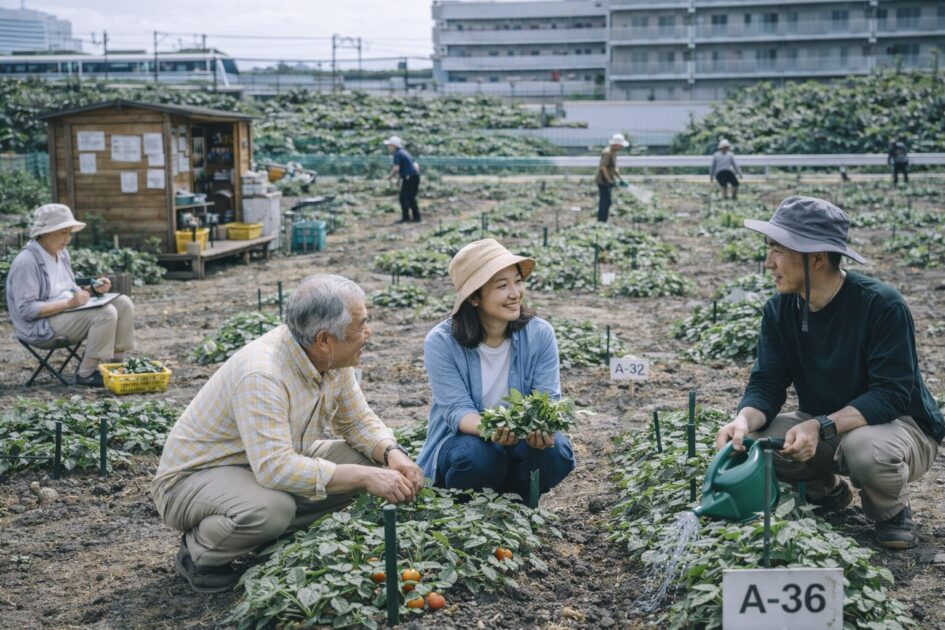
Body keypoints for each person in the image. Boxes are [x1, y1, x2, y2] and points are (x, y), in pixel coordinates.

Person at [152, 274, 424, 593]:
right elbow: (275, 468)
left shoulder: (331, 360)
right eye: (361, 325)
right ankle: (199, 554)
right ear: (324, 340)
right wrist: (363, 478)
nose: (368, 332)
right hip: (195, 478)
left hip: (265, 462)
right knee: (271, 509)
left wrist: (392, 452)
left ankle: (267, 536)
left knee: (372, 462)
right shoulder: (262, 374)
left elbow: (356, 422)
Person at [715, 196, 943, 549]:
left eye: (777, 250)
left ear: (817, 258)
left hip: (900, 427)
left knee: (864, 447)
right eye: (768, 249)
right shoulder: (779, 310)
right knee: (755, 443)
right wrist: (743, 420)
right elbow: (767, 381)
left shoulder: (881, 305)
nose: (768, 262)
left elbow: (891, 395)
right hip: (826, 424)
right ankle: (826, 491)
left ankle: (891, 511)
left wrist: (820, 426)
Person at [416, 239, 576, 500]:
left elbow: (547, 398)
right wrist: (493, 429)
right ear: (474, 297)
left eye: (518, 281)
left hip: (521, 443)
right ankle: (467, 508)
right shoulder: (442, 342)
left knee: (556, 450)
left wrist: (541, 428)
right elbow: (457, 411)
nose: (515, 294)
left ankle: (518, 503)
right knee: (475, 454)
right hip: (466, 442)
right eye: (502, 286)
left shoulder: (539, 334)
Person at [6, 203, 135, 387]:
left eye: (69, 232)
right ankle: (87, 373)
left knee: (123, 303)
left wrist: (92, 290)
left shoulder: (62, 253)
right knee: (106, 313)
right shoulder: (27, 261)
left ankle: (115, 366)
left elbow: (68, 289)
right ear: (45, 232)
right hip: (41, 327)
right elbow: (26, 310)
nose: (67, 238)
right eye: (62, 232)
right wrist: (68, 304)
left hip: (67, 313)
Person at [385, 135, 421, 223]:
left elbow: (396, 168)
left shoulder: (397, 154)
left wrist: (389, 177)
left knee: (403, 198)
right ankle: (416, 217)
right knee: (411, 197)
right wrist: (399, 180)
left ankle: (406, 218)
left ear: (394, 146)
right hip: (414, 176)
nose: (388, 147)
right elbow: (413, 166)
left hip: (409, 177)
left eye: (389, 145)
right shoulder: (404, 152)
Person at [595, 133, 629, 223]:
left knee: (608, 201)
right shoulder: (607, 152)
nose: (621, 147)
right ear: (616, 144)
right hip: (603, 180)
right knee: (605, 201)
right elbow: (603, 167)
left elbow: (613, 167)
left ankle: (604, 220)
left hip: (608, 180)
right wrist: (609, 180)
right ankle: (601, 221)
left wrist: (620, 178)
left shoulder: (613, 153)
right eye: (620, 145)